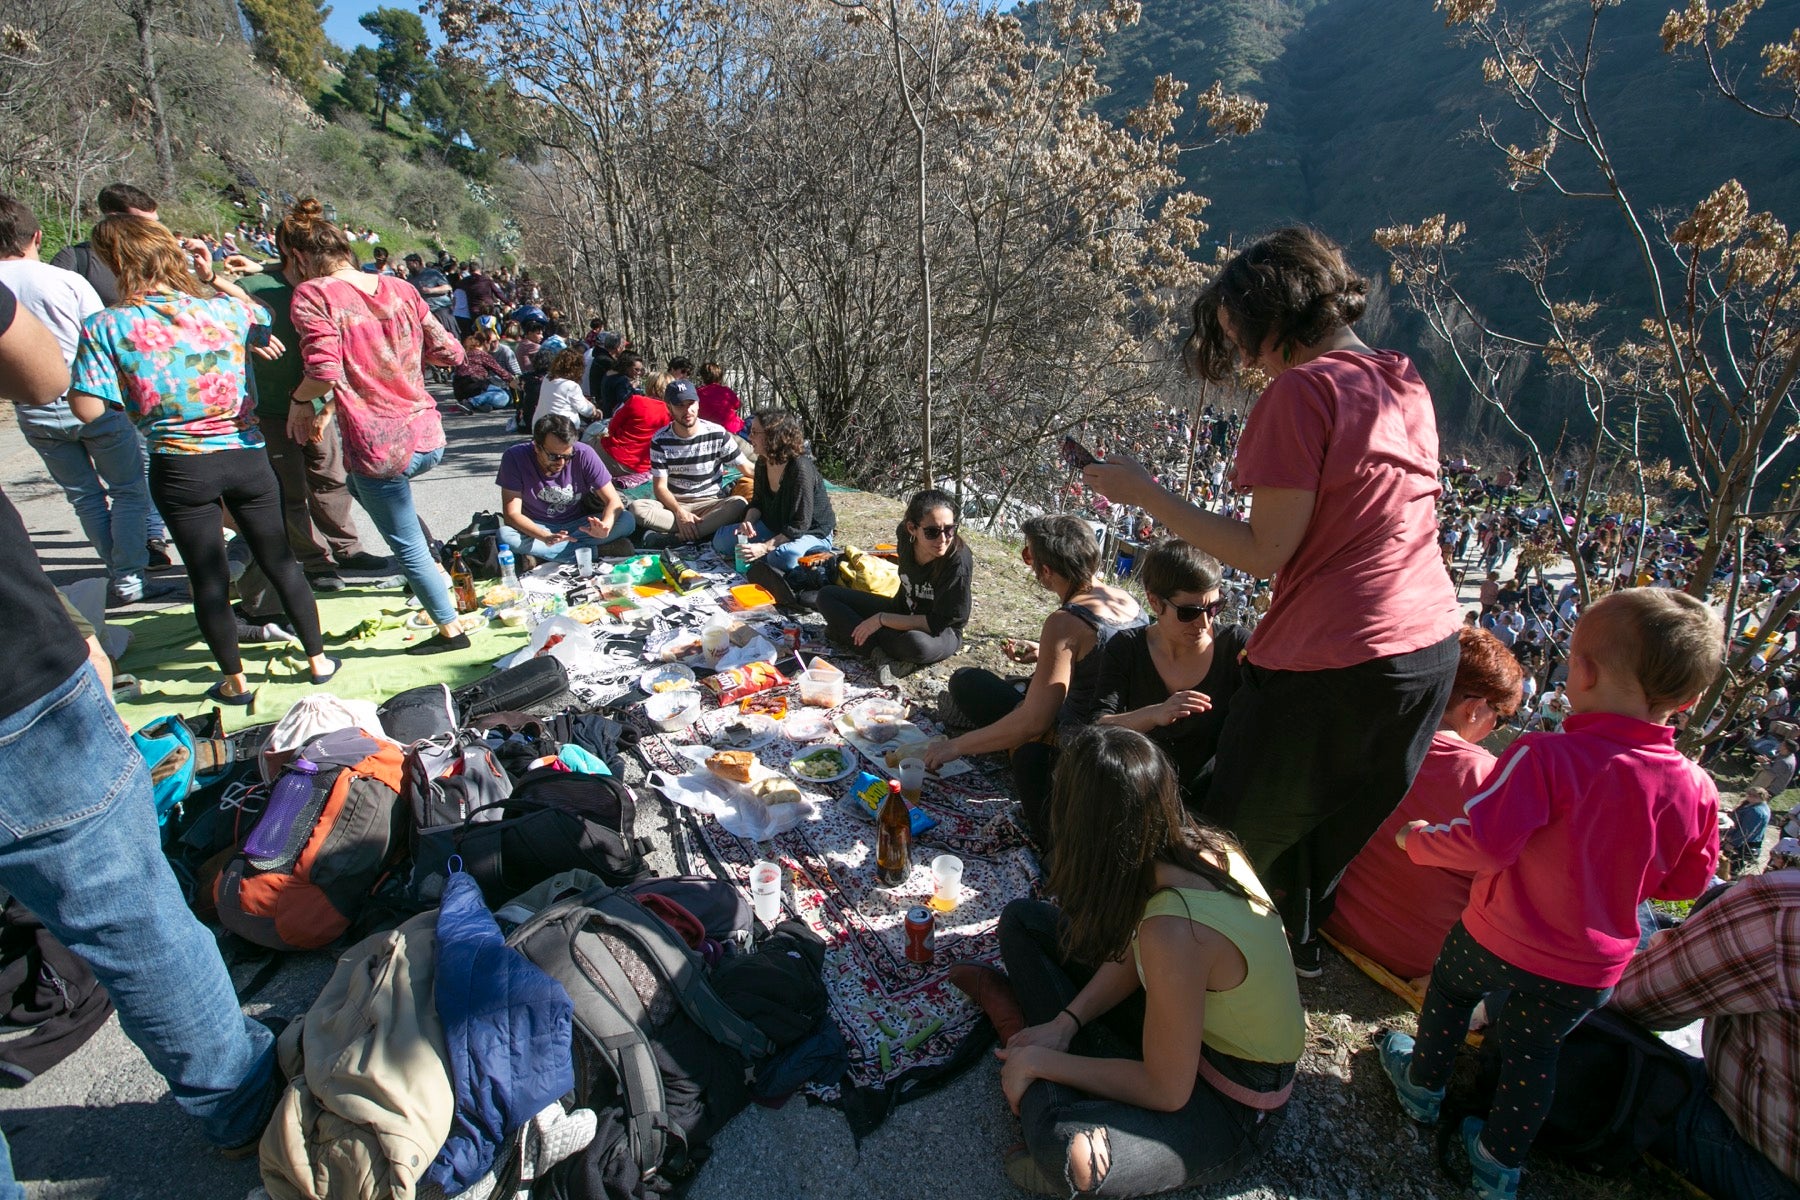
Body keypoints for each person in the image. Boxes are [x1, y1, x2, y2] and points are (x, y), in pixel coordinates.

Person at [1084, 226, 1462, 972]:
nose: (1248, 358)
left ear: (1272, 315)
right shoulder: (1399, 376)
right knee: (1328, 831)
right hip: (1428, 650)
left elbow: (1265, 550)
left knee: (1232, 829)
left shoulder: (1304, 391)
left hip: (1336, 658)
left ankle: (1173, 974)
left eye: (1243, 336)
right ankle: (1288, 953)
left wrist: (1146, 494)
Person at [0, 282, 283, 1192]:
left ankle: (235, 664)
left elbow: (81, 394)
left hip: (181, 468)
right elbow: (46, 376)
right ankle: (235, 1103)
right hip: (15, 681)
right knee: (132, 915)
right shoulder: (216, 311)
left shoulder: (124, 328)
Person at [1381, 588, 1723, 1200]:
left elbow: (1485, 844)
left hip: (1497, 934)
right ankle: (1497, 1160)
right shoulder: (1696, 788)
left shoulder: (1543, 755)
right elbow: (1687, 885)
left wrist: (1419, 841)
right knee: (1534, 1053)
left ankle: (1422, 1084)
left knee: (1452, 994)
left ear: (1582, 671)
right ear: (1690, 700)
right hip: (1590, 968)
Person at [951, 725, 1302, 1196]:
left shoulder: (1176, 932)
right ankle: (1038, 1040)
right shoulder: (1201, 846)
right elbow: (1138, 952)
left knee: (1070, 1154)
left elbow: (1166, 1089)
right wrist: (1066, 1023)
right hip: (1187, 1032)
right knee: (1024, 923)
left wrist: (1043, 1063)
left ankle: (1018, 1039)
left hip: (1232, 1101)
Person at [67, 216, 334, 703]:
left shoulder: (106, 325)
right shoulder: (223, 313)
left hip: (178, 463)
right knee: (281, 560)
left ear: (113, 262)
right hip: (246, 453)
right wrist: (212, 276)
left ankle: (234, 681)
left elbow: (87, 408)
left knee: (206, 576)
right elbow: (261, 314)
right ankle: (318, 660)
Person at [280, 199, 473, 656]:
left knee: (407, 549)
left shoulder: (315, 295)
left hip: (380, 447)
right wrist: (398, 354)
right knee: (361, 489)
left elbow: (323, 371)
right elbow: (452, 353)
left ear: (301, 258)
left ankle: (450, 631)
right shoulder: (400, 288)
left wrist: (298, 400)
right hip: (427, 435)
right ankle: (438, 572)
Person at [1320, 627, 1523, 981]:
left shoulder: (1374, 733)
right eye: (1501, 717)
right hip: (1418, 960)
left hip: (1331, 920)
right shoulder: (1487, 778)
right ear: (1474, 708)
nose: (1495, 729)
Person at [0, 193, 171, 608]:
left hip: (32, 408)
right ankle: (130, 577)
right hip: (90, 396)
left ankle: (116, 570)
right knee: (128, 490)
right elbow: (102, 338)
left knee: (83, 496)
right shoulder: (64, 281)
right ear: (36, 236)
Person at [928, 516, 1143, 842]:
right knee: (967, 681)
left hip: (1083, 746)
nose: (1027, 563)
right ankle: (1000, 740)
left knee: (1027, 754)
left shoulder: (1065, 622)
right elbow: (1101, 665)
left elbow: (1034, 722)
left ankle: (1052, 844)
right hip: (1123, 730)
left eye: (1029, 556)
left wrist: (954, 747)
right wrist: (1046, 654)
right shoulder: (1126, 601)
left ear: (1047, 571)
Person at [1612, 868, 1800, 1200]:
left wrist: (1670, 947)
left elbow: (1631, 1000)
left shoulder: (1784, 906)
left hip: (1767, 1170)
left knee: (1584, 1045)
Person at [233, 251, 387, 593]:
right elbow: (223, 325)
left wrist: (328, 405)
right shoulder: (253, 287)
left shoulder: (324, 288)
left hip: (318, 401)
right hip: (271, 407)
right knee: (290, 488)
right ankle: (316, 561)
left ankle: (348, 549)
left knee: (331, 478)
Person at [1091, 539, 1249, 816]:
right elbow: (1100, 727)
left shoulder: (1234, 646)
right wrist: (1155, 714)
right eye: (1189, 612)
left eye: (1214, 608)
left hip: (1210, 802)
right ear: (1154, 601)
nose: (1204, 623)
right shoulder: (1127, 648)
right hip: (1139, 794)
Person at [815, 488, 973, 681]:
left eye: (949, 529)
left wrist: (881, 619)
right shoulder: (905, 538)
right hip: (900, 610)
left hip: (938, 631)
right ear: (912, 528)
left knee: (915, 644)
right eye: (932, 532)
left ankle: (854, 635)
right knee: (827, 596)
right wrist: (886, 618)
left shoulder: (958, 560)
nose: (943, 539)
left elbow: (938, 623)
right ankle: (876, 652)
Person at [626, 378, 751, 542]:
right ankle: (701, 532)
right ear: (669, 408)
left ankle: (678, 538)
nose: (688, 410)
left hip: (710, 504)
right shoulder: (660, 439)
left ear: (698, 404)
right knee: (637, 508)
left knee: (739, 504)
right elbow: (660, 487)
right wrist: (679, 512)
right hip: (675, 505)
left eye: (691, 403)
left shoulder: (717, 433)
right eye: (680, 405)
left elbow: (747, 468)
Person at [496, 414, 634, 562]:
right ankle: (597, 551)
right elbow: (512, 514)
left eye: (568, 456)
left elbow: (614, 501)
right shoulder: (514, 457)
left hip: (578, 525)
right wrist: (545, 537)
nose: (561, 462)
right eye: (554, 456)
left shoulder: (584, 453)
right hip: (537, 527)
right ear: (536, 446)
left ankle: (544, 556)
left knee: (627, 520)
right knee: (506, 536)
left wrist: (605, 527)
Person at [711, 408, 835, 570]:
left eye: (755, 432)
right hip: (776, 526)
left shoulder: (799, 468)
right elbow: (757, 502)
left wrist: (764, 547)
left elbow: (800, 523)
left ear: (773, 435)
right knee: (721, 540)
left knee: (782, 557)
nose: (749, 437)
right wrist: (748, 521)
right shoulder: (763, 462)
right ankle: (766, 554)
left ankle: (819, 552)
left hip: (811, 532)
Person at [48, 182, 159, 306]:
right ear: (113, 219)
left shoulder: (164, 259)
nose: (154, 230)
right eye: (143, 224)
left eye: (155, 224)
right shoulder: (76, 259)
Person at [596, 353, 663, 486]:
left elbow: (614, 426)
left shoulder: (609, 374)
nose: (638, 373)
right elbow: (624, 399)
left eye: (640, 370)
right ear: (626, 367)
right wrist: (633, 388)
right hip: (639, 464)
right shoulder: (623, 382)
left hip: (617, 449)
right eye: (636, 370)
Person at [532, 347, 596, 431]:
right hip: (561, 431)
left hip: (539, 427)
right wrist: (595, 410)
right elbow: (586, 411)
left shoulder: (547, 378)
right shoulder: (571, 386)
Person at [453, 328, 516, 413]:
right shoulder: (482, 354)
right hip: (475, 384)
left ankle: (481, 404)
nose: (493, 345)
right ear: (485, 343)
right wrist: (513, 380)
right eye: (491, 342)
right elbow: (500, 371)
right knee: (504, 396)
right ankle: (471, 403)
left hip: (459, 390)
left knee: (494, 394)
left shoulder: (465, 353)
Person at [1720, 787, 1771, 878]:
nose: (1748, 796)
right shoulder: (1758, 806)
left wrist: (1732, 843)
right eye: (1748, 794)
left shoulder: (1756, 811)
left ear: (1759, 797)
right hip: (1744, 842)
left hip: (1741, 845)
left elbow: (1746, 831)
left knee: (1728, 868)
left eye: (1751, 795)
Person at [695, 360, 746, 447]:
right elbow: (738, 405)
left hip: (708, 434)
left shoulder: (697, 393)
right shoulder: (726, 391)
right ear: (719, 376)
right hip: (734, 432)